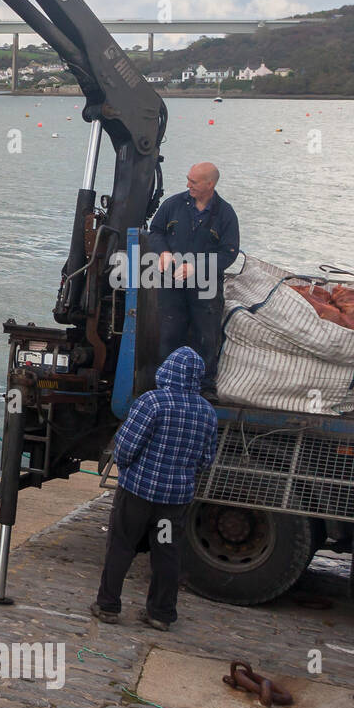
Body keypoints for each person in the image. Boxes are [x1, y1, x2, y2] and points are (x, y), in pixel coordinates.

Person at [90, 347, 218, 632]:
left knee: (122, 546)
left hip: (137, 494)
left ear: (167, 370)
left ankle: (108, 605)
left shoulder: (152, 402)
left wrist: (128, 470)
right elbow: (206, 460)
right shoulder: (207, 413)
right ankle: (161, 613)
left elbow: (125, 449)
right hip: (173, 503)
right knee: (166, 552)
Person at [143, 161, 241, 396]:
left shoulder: (226, 214)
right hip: (171, 283)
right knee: (169, 332)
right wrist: (163, 252)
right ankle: (165, 385)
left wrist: (196, 267)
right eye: (188, 179)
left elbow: (229, 253)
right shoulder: (173, 205)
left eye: (193, 182)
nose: (188, 185)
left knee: (205, 336)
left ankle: (204, 389)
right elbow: (155, 231)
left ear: (210, 184)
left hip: (205, 288)